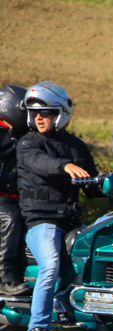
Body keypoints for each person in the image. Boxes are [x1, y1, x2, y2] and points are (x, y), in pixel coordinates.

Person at [17, 81, 99, 331]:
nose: (39, 118)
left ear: (60, 114)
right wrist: (64, 166)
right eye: (35, 113)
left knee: (98, 258)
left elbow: (93, 187)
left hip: (71, 223)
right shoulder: (29, 144)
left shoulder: (77, 147)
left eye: (47, 113)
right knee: (51, 265)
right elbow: (42, 164)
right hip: (41, 222)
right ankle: (38, 330)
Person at [0, 85, 30, 297]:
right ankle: (5, 279)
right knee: (10, 220)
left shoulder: (19, 134)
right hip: (3, 197)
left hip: (19, 197)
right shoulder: (3, 133)